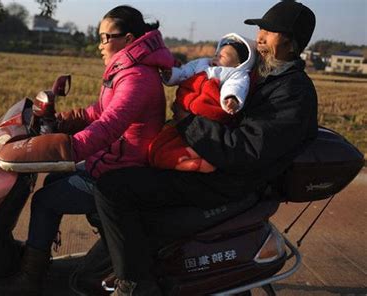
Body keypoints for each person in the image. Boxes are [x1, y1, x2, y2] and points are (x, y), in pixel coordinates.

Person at [94, 1, 318, 295]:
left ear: (290, 43)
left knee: (112, 188)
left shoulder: (293, 92)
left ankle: (135, 285)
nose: (259, 38)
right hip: (210, 162)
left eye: (268, 32)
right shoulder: (265, 77)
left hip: (224, 180)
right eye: (260, 30)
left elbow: (245, 151)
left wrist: (189, 122)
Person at [0, 5, 174, 296]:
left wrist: (69, 147)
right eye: (99, 36)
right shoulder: (129, 69)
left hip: (121, 167)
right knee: (53, 181)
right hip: (113, 158)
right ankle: (98, 249)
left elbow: (110, 125)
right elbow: (99, 110)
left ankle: (30, 279)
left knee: (45, 201)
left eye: (105, 37)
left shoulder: (136, 77)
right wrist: (62, 121)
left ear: (127, 40)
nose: (99, 44)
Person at [149, 33, 256, 172]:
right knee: (159, 144)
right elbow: (185, 72)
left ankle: (196, 163)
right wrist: (172, 75)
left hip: (206, 117)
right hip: (183, 112)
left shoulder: (235, 74)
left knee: (186, 146)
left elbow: (236, 86)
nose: (216, 58)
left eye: (222, 57)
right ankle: (183, 163)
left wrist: (231, 98)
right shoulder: (201, 64)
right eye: (217, 54)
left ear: (238, 64)